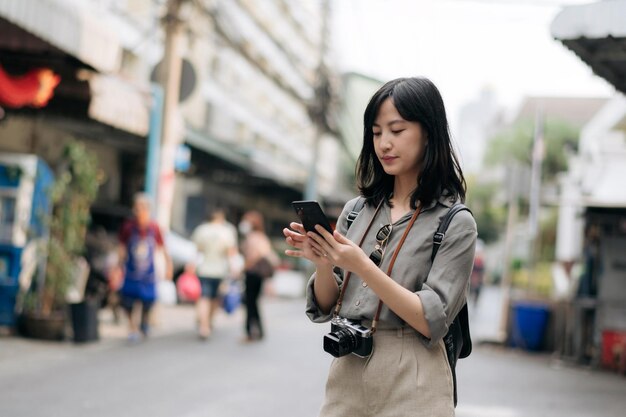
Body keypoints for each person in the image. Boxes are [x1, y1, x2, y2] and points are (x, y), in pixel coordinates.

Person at [283, 77, 477, 416]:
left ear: (428, 132)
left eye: (397, 130)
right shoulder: (357, 210)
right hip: (349, 368)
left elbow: (432, 319)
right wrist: (324, 263)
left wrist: (361, 265)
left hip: (414, 375)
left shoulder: (455, 222)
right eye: (376, 133)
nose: (384, 143)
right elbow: (328, 304)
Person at [116, 193, 173, 342]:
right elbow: (122, 248)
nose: (139, 210)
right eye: (137, 207)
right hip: (132, 271)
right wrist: (117, 267)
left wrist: (168, 266)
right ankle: (132, 327)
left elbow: (163, 248)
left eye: (142, 207)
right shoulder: (128, 226)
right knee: (127, 301)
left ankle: (145, 322)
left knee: (148, 301)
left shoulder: (154, 228)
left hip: (148, 273)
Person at [190, 207, 239, 339]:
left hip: (204, 269)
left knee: (204, 297)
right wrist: (234, 269)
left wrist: (192, 265)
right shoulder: (227, 231)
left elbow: (197, 251)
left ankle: (203, 326)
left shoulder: (202, 230)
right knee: (215, 298)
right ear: (221, 218)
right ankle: (209, 321)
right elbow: (230, 254)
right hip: (220, 271)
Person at [239, 210, 277, 342]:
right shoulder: (261, 236)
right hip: (257, 275)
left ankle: (250, 332)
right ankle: (259, 331)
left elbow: (258, 254)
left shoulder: (254, 237)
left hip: (252, 273)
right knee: (254, 303)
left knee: (250, 303)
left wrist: (245, 266)